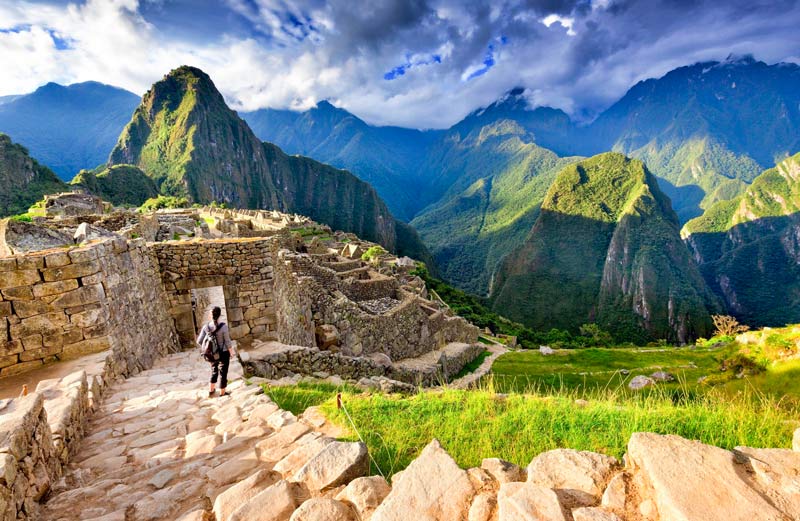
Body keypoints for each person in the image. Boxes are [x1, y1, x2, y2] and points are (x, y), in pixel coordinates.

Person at [196, 306, 236, 397]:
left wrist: (208, 347)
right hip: (223, 353)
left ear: (210, 315)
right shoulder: (223, 326)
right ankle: (222, 393)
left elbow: (199, 341)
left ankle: (211, 390)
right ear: (220, 315)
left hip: (212, 354)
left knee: (214, 371)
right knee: (223, 373)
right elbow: (227, 341)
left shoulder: (206, 327)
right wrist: (231, 352)